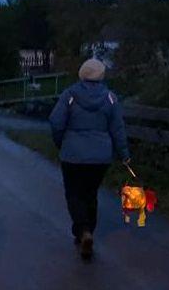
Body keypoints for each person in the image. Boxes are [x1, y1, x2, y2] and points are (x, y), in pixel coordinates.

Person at [49, 58, 130, 260]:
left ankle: (83, 230)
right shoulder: (110, 98)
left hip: (73, 155)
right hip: (100, 157)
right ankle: (88, 231)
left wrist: (61, 143)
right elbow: (118, 129)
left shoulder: (70, 95)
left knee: (74, 194)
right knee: (90, 193)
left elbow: (56, 122)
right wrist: (124, 154)